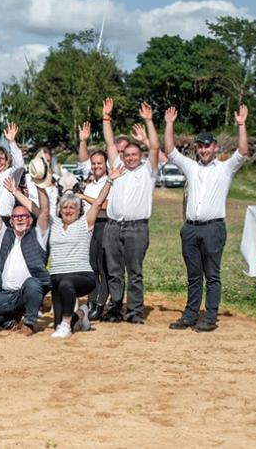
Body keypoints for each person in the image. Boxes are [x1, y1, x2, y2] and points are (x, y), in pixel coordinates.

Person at [164, 104, 249, 332]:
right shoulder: (191, 167)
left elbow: (242, 151)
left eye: (207, 146)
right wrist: (169, 124)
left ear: (215, 147)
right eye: (200, 146)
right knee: (193, 276)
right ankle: (190, 316)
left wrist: (241, 125)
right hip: (191, 228)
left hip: (213, 229)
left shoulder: (225, 168)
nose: (203, 150)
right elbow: (170, 150)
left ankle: (209, 318)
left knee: (212, 276)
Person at [100, 98, 159, 324]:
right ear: (122, 156)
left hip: (137, 228)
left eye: (134, 154)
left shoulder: (148, 172)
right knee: (114, 272)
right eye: (127, 155)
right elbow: (109, 143)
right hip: (113, 227)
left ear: (140, 156)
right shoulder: (118, 167)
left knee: (134, 273)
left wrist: (149, 121)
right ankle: (114, 309)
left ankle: (134, 311)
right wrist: (107, 118)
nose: (130, 157)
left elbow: (154, 146)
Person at [44, 163, 117, 338]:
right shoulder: (53, 224)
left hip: (83, 276)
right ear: (60, 210)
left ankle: (67, 326)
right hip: (57, 277)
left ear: (78, 210)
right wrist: (18, 192)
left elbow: (99, 203)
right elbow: (39, 209)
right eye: (65, 207)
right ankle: (81, 314)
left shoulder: (85, 223)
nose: (68, 210)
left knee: (67, 284)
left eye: (72, 207)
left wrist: (109, 181)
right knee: (56, 322)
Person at [0, 176, 50, 335]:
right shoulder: (5, 235)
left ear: (30, 221)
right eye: (16, 216)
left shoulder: (39, 235)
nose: (20, 219)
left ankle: (29, 323)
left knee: (33, 283)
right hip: (5, 293)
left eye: (24, 216)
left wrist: (41, 186)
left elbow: (44, 212)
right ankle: (12, 322)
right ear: (11, 221)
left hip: (27, 293)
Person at [76, 122, 111, 321]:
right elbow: (82, 160)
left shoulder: (111, 181)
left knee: (103, 267)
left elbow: (105, 205)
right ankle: (91, 300)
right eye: (94, 163)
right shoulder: (90, 180)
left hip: (104, 225)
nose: (96, 166)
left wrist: (84, 197)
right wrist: (83, 140)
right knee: (91, 267)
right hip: (88, 227)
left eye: (100, 163)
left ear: (105, 164)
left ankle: (100, 303)